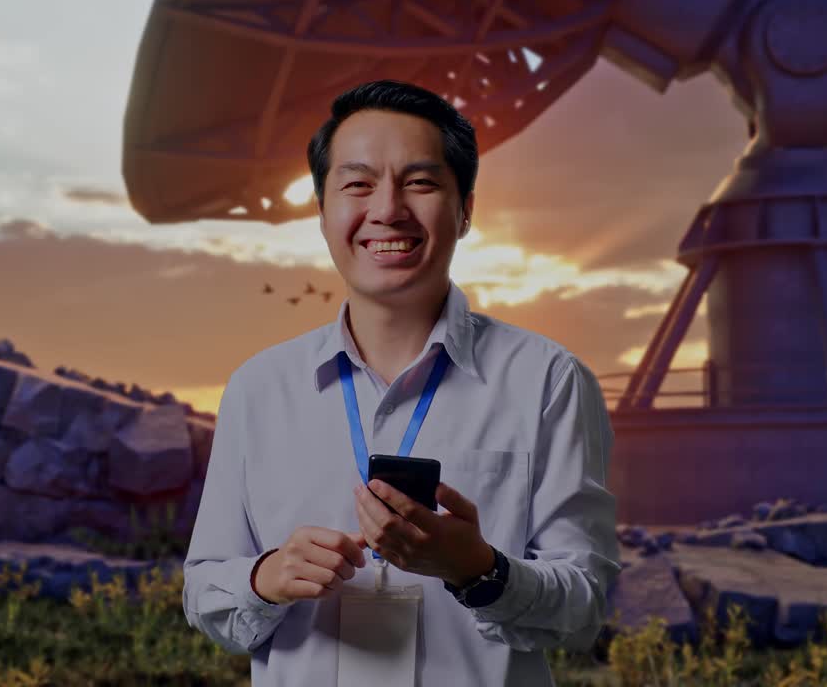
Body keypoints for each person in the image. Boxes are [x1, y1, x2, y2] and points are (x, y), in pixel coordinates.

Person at [183, 79, 619, 686]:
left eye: (420, 182)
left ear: (466, 208)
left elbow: (584, 607)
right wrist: (264, 579)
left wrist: (481, 570)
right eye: (358, 183)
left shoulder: (548, 381)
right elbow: (204, 593)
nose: (387, 209)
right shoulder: (259, 388)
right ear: (322, 210)